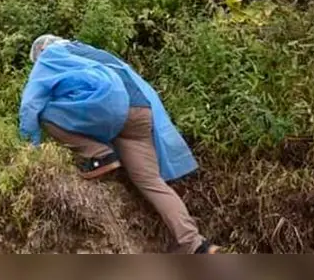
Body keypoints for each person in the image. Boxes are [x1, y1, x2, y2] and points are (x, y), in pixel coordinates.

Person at [20, 35, 221, 255]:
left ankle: (100, 156)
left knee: (44, 112)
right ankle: (197, 245)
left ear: (40, 53)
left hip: (107, 108)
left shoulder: (50, 56)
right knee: (151, 182)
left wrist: (31, 147)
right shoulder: (95, 52)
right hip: (140, 114)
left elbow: (30, 104)